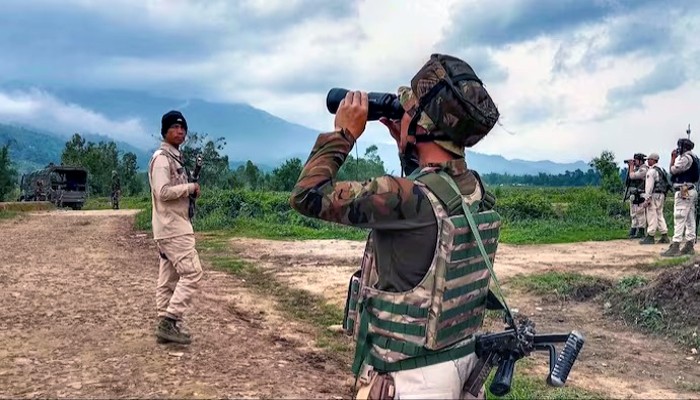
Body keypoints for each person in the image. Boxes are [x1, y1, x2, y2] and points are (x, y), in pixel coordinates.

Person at [290, 54, 503, 399]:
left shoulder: (404, 196)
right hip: (459, 359)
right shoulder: (473, 188)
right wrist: (408, 145)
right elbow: (428, 202)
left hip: (411, 377)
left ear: (424, 125)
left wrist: (344, 133)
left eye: (409, 109)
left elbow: (307, 195)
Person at [147, 110, 203, 344]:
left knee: (168, 278)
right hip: (173, 228)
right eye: (174, 127)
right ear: (165, 131)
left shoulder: (175, 158)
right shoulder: (162, 159)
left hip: (170, 226)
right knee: (192, 273)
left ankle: (165, 325)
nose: (180, 131)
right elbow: (162, 192)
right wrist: (189, 188)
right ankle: (170, 320)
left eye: (183, 128)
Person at [661, 138, 699, 256]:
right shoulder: (694, 157)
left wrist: (672, 158)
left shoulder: (685, 158)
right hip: (690, 188)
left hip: (684, 188)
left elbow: (673, 170)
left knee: (679, 215)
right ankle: (689, 244)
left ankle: (676, 245)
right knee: (689, 218)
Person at [639, 153, 670, 244]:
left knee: (651, 214)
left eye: (649, 159)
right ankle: (664, 234)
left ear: (653, 160)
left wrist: (647, 198)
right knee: (659, 214)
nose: (647, 161)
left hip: (654, 195)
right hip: (662, 194)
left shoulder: (651, 171)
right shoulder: (662, 170)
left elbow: (649, 187)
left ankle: (650, 236)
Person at [625, 153, 648, 239]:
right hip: (634, 194)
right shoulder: (637, 169)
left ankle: (641, 230)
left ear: (641, 160)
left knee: (640, 213)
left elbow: (632, 176)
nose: (635, 162)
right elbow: (628, 181)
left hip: (641, 193)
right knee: (633, 213)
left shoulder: (644, 169)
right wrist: (631, 168)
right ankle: (633, 229)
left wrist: (631, 167)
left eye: (636, 160)